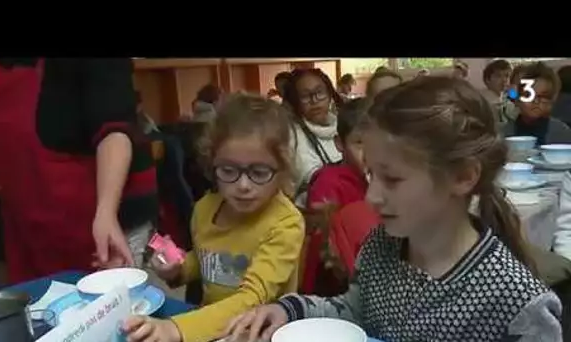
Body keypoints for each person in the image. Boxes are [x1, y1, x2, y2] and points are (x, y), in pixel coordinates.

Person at [226, 76, 563, 342]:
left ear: (462, 177)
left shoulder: (516, 304)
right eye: (371, 173)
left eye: (393, 179)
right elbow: (356, 309)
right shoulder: (380, 245)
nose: (372, 196)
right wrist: (290, 310)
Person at [123, 94, 304, 342]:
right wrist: (177, 269)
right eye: (228, 170)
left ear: (282, 169)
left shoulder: (285, 222)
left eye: (259, 172)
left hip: (261, 332)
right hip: (210, 328)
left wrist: (175, 328)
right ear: (212, 163)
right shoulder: (205, 209)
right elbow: (205, 260)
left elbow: (252, 300)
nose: (243, 185)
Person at [0, 58, 158, 283]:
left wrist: (107, 212)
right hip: (26, 221)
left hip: (95, 217)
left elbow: (115, 132)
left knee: (104, 307)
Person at [302, 98, 379, 296]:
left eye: (377, 143)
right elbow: (329, 256)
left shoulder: (383, 183)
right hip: (334, 293)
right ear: (339, 144)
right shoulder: (329, 184)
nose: (370, 153)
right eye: (359, 143)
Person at [283, 68, 344, 207]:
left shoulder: (345, 126)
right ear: (295, 102)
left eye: (319, 92)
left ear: (330, 94)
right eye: (305, 96)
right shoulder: (291, 136)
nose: (314, 100)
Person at [501, 62, 571, 145]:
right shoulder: (503, 133)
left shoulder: (561, 132)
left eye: (544, 96)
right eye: (528, 95)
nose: (536, 102)